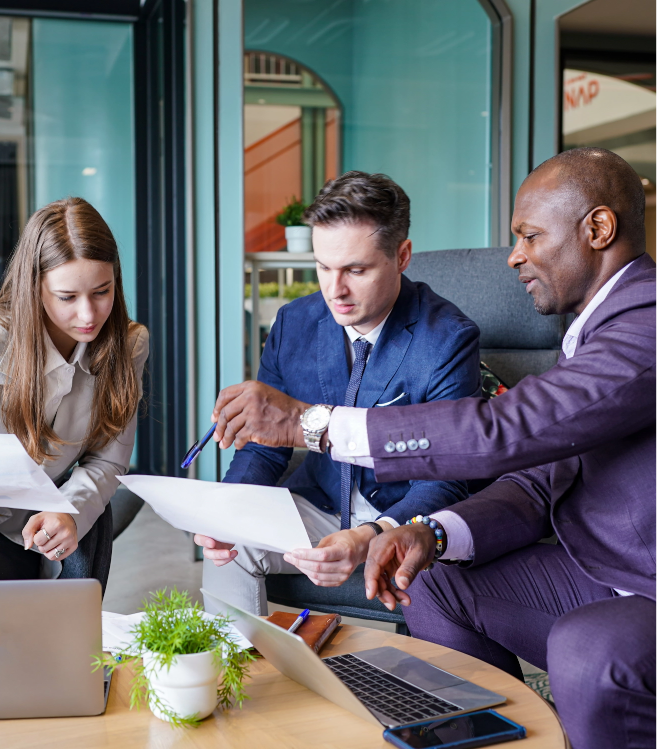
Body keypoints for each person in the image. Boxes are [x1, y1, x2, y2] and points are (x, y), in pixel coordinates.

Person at [206, 147, 657, 749]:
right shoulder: (589, 334)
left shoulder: (645, 323)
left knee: (586, 649)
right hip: (595, 567)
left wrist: (309, 425)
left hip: (641, 577)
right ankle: (478, 737)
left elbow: (499, 432)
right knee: (430, 576)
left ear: (598, 229)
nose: (514, 256)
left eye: (529, 236)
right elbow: (532, 483)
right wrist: (431, 534)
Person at [197, 171, 481, 615]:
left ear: (402, 255)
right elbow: (266, 446)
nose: (335, 290)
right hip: (319, 503)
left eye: (356, 270)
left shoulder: (447, 339)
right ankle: (237, 680)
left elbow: (445, 479)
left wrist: (371, 535)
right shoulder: (294, 322)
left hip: (402, 518)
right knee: (230, 551)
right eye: (323, 267)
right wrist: (227, 514)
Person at [0, 197, 148, 591]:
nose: (88, 315)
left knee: (60, 641)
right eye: (67, 297)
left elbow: (108, 461)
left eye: (102, 291)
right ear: (34, 289)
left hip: (48, 515)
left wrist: (71, 512)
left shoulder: (128, 345)